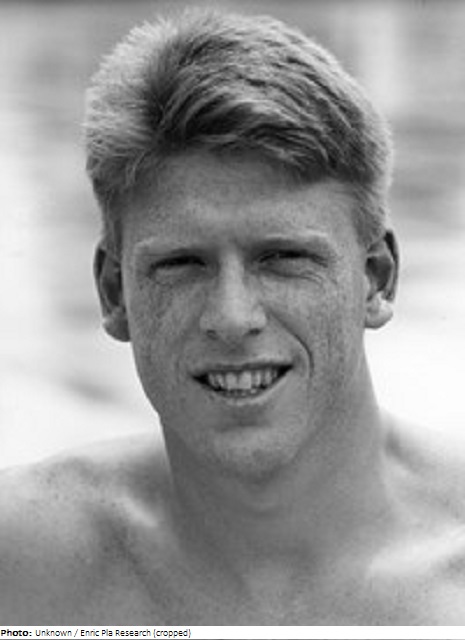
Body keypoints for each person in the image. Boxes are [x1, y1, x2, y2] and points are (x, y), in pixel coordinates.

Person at [1, 8, 465, 626]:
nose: (231, 317)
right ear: (114, 293)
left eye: (283, 258)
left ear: (376, 278)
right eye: (181, 264)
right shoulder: (22, 566)